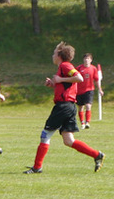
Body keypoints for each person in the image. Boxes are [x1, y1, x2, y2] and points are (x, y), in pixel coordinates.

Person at [26, 41, 104, 174]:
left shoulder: (65, 65)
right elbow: (68, 86)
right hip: (69, 106)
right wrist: (54, 84)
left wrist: (60, 80)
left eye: (54, 53)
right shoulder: (63, 67)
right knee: (69, 141)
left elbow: (79, 77)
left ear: (60, 55)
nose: (52, 55)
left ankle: (37, 167)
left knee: (45, 135)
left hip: (63, 107)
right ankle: (97, 155)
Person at [76, 53, 101, 129]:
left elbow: (96, 80)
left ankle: (87, 122)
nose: (86, 60)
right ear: (83, 60)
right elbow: (74, 78)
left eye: (88, 59)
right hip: (79, 91)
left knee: (88, 106)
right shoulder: (79, 68)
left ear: (91, 60)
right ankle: (82, 123)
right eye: (85, 58)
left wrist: (100, 89)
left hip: (89, 90)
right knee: (80, 107)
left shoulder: (93, 68)